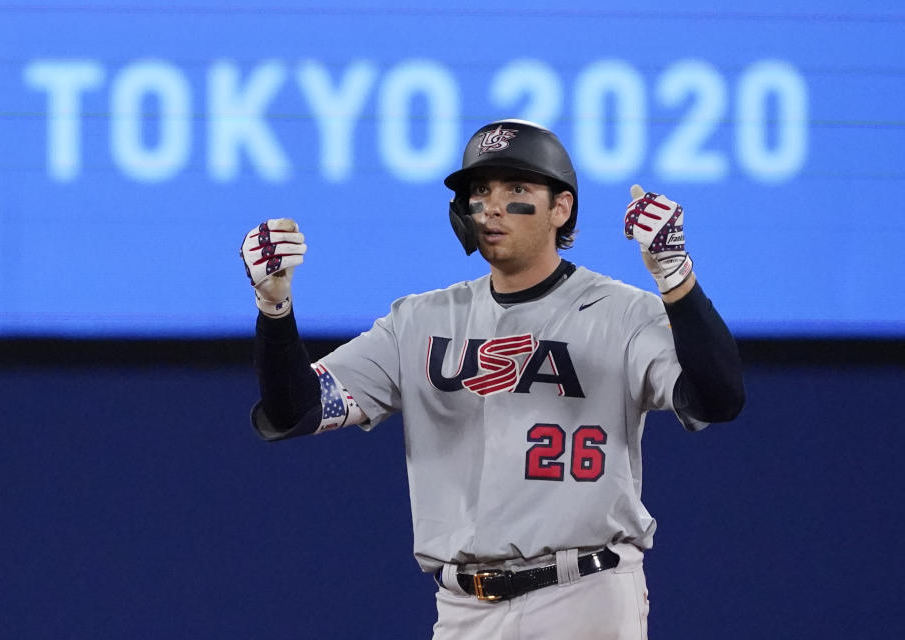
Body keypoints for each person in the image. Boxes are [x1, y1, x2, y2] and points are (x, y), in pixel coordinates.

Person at [240, 119, 745, 639]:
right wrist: (275, 308)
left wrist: (675, 276)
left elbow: (717, 399)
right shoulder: (419, 321)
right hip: (464, 610)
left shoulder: (621, 312)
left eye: (517, 189)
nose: (494, 206)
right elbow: (293, 410)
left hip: (584, 596)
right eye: (480, 191)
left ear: (561, 208)